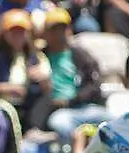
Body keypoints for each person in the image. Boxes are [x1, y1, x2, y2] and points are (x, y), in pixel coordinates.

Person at [42, 7, 107, 140]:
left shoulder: (80, 55)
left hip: (85, 107)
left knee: (113, 119)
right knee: (59, 122)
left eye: (62, 28)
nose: (59, 33)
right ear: (46, 33)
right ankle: (80, 148)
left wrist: (70, 101)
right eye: (54, 29)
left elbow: (94, 85)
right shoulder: (41, 57)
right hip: (60, 112)